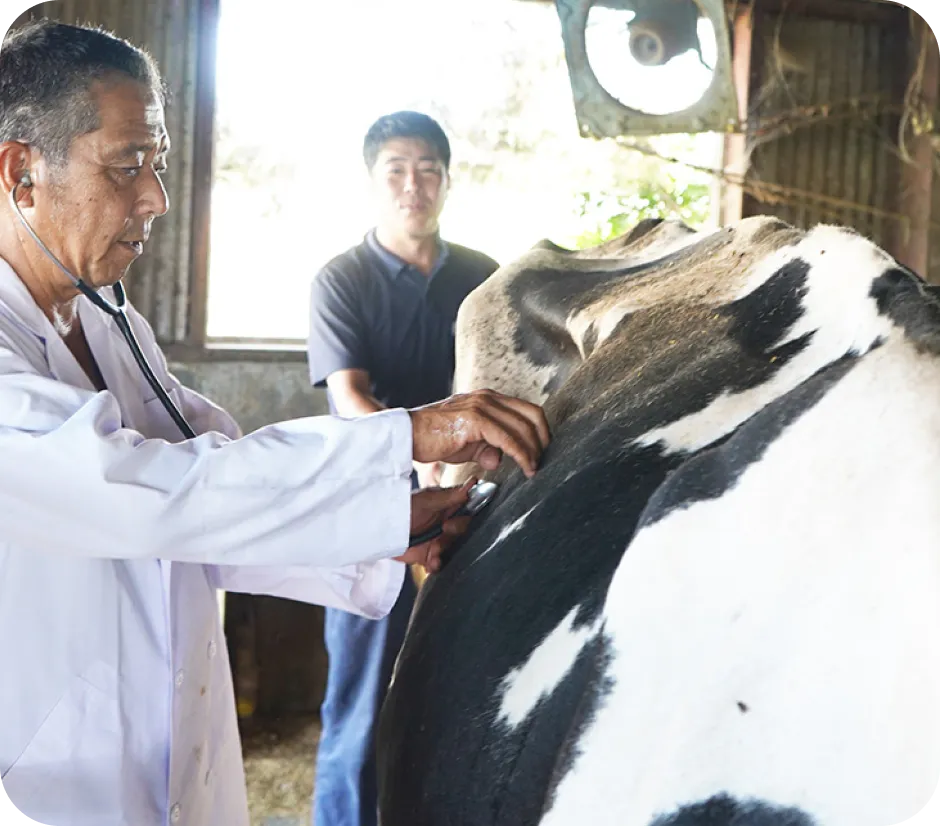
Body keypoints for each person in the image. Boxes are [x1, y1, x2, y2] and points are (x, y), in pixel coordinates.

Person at [0, 21, 550, 826]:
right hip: (49, 767)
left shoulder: (108, 318)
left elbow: (216, 466)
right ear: (21, 172)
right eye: (127, 164)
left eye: (157, 163)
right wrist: (409, 435)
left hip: (168, 754)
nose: (154, 196)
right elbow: (154, 492)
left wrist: (376, 523)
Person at [306, 111, 500, 826]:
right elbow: (351, 400)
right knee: (360, 705)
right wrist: (422, 463)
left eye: (427, 170)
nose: (413, 185)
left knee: (463, 696)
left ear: (447, 181)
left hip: (472, 509)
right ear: (373, 181)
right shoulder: (342, 280)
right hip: (372, 512)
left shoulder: (486, 280)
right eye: (396, 170)